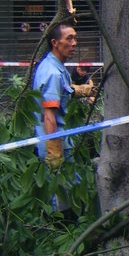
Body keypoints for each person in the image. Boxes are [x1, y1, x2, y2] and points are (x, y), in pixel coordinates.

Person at [33, 22, 79, 167]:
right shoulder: (53, 74)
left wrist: (81, 90)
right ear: (55, 43)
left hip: (61, 142)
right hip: (57, 147)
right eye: (69, 39)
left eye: (75, 39)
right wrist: (55, 155)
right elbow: (49, 116)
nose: (74, 44)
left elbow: (61, 92)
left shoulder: (52, 66)